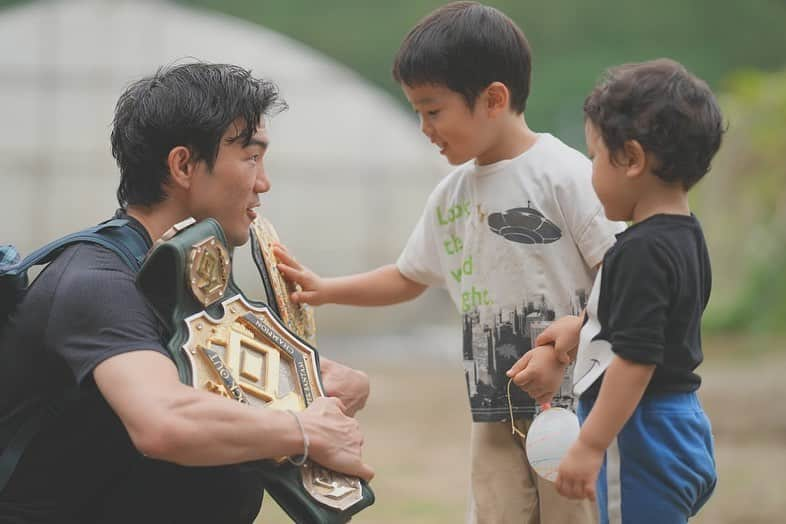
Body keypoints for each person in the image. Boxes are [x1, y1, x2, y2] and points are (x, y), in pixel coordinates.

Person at [274, 3, 623, 523]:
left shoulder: (565, 176)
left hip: (572, 407)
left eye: (433, 110)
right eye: (416, 111)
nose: (423, 127)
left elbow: (621, 275)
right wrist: (327, 288)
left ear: (493, 99)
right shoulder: (452, 195)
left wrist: (572, 336)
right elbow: (408, 276)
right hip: (492, 410)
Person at [0, 62, 373, 524]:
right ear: (183, 165)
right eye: (251, 157)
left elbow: (226, 386)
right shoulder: (97, 283)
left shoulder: (187, 279)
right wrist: (303, 430)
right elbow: (165, 421)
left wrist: (317, 384)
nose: (264, 182)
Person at [508, 58, 723, 523]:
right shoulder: (685, 235)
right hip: (683, 423)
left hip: (639, 433)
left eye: (594, 157)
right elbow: (650, 319)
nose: (591, 171)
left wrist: (590, 445)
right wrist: (580, 328)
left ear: (631, 159)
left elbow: (635, 359)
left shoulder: (638, 250)